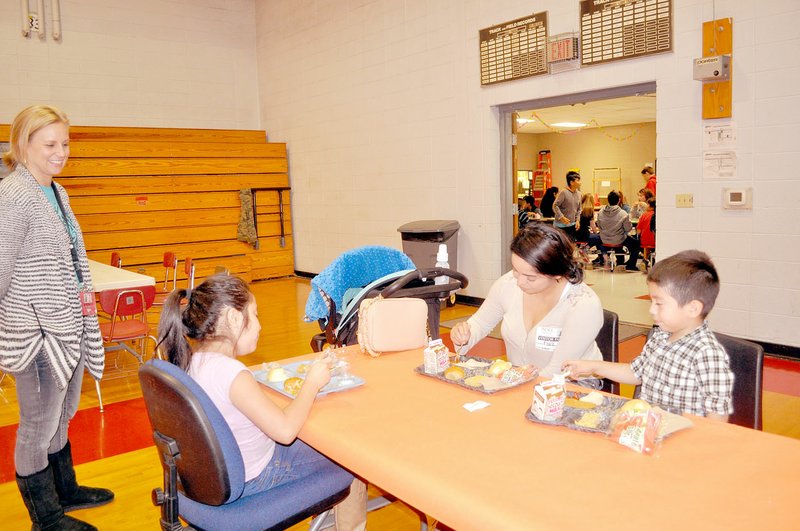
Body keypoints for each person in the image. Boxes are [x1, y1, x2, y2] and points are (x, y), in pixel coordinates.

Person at [157, 274, 367, 530]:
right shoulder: (233, 374)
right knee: (351, 455)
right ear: (234, 318)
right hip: (256, 475)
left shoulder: (190, 361)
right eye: (254, 315)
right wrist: (312, 383)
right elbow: (286, 432)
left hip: (209, 478)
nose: (259, 326)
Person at [1, 105, 113, 530]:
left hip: (68, 325)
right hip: (34, 333)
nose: (60, 152)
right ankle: (45, 518)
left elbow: (69, 259)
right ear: (22, 145)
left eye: (64, 143)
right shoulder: (12, 196)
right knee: (37, 422)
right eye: (50, 144)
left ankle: (64, 490)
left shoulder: (57, 192)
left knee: (63, 413)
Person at [563, 250, 734, 420]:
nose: (651, 310)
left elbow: (717, 415)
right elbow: (635, 373)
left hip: (681, 439)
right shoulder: (660, 336)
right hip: (647, 429)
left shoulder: (707, 353)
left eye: (659, 303)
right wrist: (594, 367)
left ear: (693, 308)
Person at [450, 224, 604, 380]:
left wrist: (514, 381)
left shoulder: (583, 305)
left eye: (531, 278)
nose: (520, 282)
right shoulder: (508, 283)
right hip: (518, 379)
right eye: (516, 270)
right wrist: (464, 335)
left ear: (558, 274)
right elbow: (480, 323)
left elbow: (559, 369)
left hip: (572, 385)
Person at [596, 190, 640, 272]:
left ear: (608, 200)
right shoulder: (623, 213)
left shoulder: (600, 212)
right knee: (636, 244)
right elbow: (628, 229)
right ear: (619, 200)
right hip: (619, 239)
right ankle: (631, 265)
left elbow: (599, 226)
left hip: (604, 239)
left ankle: (605, 260)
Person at [553, 171, 582, 239]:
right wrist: (561, 217)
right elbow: (555, 205)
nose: (580, 182)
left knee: (570, 246)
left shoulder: (579, 194)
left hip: (572, 225)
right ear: (571, 182)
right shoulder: (563, 192)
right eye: (578, 180)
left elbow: (579, 209)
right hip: (560, 226)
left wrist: (578, 220)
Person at [637, 198, 656, 265]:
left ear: (650, 205)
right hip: (656, 241)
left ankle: (645, 261)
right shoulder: (658, 215)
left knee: (646, 247)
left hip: (645, 241)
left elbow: (639, 230)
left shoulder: (644, 215)